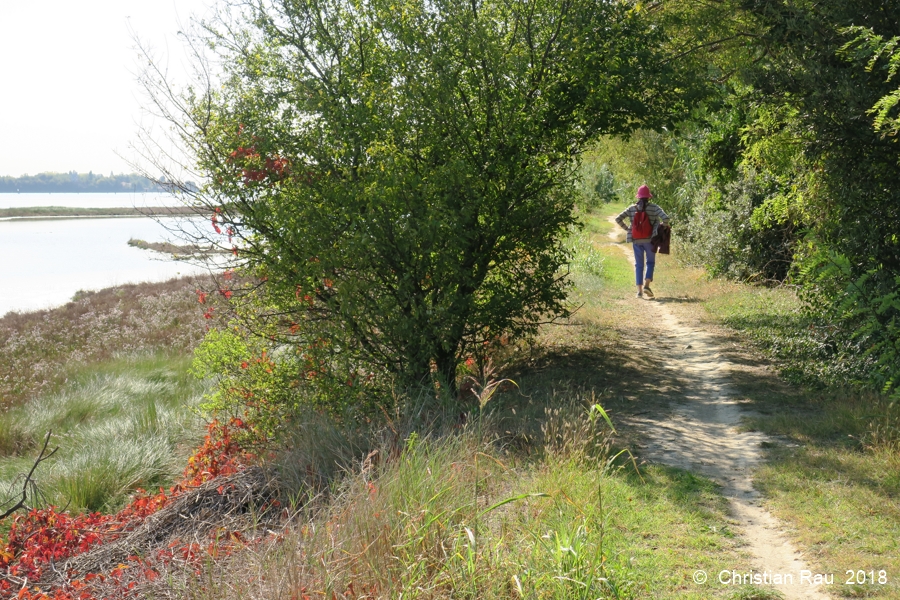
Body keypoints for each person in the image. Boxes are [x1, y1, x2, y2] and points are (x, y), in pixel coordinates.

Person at [615, 185, 670, 298]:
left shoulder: (631, 208)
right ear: (649, 197)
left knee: (638, 265)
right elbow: (666, 218)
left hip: (636, 241)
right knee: (650, 263)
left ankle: (639, 292)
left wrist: (628, 229)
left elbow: (618, 219)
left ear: (638, 197)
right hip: (650, 240)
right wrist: (662, 228)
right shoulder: (654, 208)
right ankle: (647, 285)